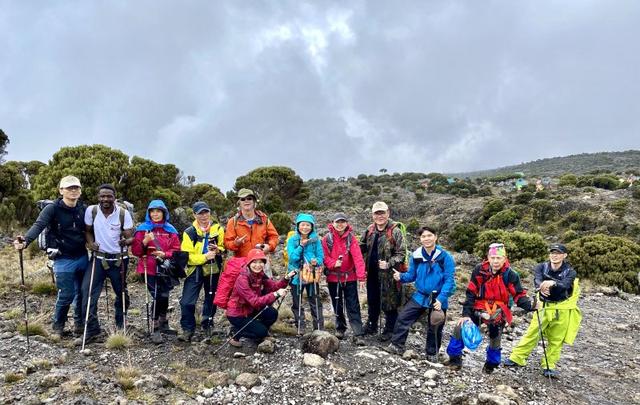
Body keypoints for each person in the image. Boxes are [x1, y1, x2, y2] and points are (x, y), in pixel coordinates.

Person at [445, 243, 538, 373]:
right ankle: (455, 358)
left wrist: (530, 306)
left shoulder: (510, 275)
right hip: (478, 306)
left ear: (504, 258)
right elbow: (471, 292)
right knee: (460, 328)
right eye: (492, 257)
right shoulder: (479, 270)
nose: (495, 261)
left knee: (495, 335)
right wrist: (466, 314)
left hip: (498, 310)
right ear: (488, 257)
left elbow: (518, 294)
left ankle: (491, 364)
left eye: (498, 258)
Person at [13, 175, 87, 338]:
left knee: (81, 293)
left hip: (82, 257)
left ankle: (79, 326)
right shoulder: (52, 209)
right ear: (61, 191)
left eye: (76, 187)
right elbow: (38, 225)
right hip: (62, 258)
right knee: (66, 294)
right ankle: (57, 327)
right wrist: (25, 241)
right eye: (69, 188)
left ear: (80, 190)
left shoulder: (83, 208)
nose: (73, 190)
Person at [504, 243, 582, 378]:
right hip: (543, 306)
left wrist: (552, 283)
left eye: (558, 253)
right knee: (532, 332)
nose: (555, 255)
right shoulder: (542, 266)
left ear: (564, 255)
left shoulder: (570, 271)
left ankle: (549, 365)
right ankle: (517, 358)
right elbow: (537, 279)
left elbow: (565, 285)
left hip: (561, 308)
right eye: (552, 252)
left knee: (556, 339)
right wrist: (542, 285)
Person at [385, 226, 456, 362]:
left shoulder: (445, 257)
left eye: (429, 235)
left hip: (438, 297)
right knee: (404, 317)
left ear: (435, 237)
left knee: (435, 325)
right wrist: (401, 276)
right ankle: (397, 345)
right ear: (420, 239)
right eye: (423, 236)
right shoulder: (416, 256)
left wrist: (441, 299)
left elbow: (449, 280)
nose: (427, 238)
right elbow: (412, 275)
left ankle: (432, 353)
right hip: (421, 295)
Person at [81, 184, 134, 342]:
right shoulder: (92, 211)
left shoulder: (123, 214)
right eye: (102, 196)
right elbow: (87, 231)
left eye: (109, 196)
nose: (105, 199)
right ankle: (91, 329)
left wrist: (127, 241)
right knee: (88, 292)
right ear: (98, 197)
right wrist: (90, 244)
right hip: (98, 259)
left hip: (119, 260)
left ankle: (120, 326)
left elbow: (130, 236)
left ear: (114, 198)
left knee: (121, 293)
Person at [131, 200, 181, 344]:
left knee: (165, 295)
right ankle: (155, 327)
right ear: (148, 213)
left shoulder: (170, 230)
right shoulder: (143, 229)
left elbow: (176, 249)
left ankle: (163, 322)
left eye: (158, 211)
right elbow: (136, 251)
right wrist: (145, 241)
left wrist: (165, 254)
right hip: (149, 268)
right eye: (152, 211)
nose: (155, 214)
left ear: (164, 212)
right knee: (158, 295)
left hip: (166, 268)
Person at [178, 201, 225, 342]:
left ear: (210, 212)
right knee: (187, 302)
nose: (204, 216)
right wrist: (204, 257)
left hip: (213, 268)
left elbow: (223, 247)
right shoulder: (189, 233)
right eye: (200, 213)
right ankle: (187, 329)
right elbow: (188, 257)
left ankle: (208, 324)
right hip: (195, 270)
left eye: (206, 212)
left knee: (211, 297)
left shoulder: (218, 228)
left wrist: (218, 250)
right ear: (194, 214)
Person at [226, 248, 293, 347]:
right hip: (237, 313)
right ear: (249, 263)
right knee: (261, 332)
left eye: (261, 262)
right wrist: (275, 294)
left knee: (272, 313)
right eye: (254, 262)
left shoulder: (260, 274)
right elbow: (254, 301)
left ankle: (257, 330)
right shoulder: (242, 279)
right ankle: (235, 332)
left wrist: (286, 278)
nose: (258, 265)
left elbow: (273, 286)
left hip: (250, 309)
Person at [360, 201, 407, 341]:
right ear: (372, 215)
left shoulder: (395, 231)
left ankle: (390, 329)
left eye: (382, 213)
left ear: (388, 213)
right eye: (377, 213)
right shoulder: (370, 230)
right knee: (372, 299)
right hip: (372, 272)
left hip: (390, 275)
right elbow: (362, 246)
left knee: (390, 302)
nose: (380, 216)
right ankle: (372, 325)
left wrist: (388, 263)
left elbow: (401, 253)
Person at [322, 212, 366, 344]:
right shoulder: (327, 239)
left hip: (350, 277)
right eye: (337, 222)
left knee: (353, 304)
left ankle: (358, 333)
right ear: (333, 223)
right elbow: (324, 257)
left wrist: (361, 277)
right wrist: (333, 263)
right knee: (337, 304)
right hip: (333, 278)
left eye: (342, 222)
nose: (340, 224)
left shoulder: (351, 239)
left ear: (346, 224)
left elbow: (358, 258)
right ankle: (340, 328)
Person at [287, 213, 324, 334]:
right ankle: (300, 326)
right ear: (298, 226)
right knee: (297, 302)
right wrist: (301, 246)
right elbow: (292, 258)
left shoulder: (315, 240)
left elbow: (320, 257)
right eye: (302, 224)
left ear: (312, 226)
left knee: (315, 301)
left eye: (308, 225)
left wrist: (316, 261)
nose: (305, 227)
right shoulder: (292, 240)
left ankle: (318, 328)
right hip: (296, 275)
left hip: (311, 274)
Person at [224, 188, 279, 258]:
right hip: (242, 264)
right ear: (239, 203)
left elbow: (274, 237)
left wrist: (269, 246)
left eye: (249, 198)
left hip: (260, 263)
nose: (246, 201)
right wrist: (236, 243)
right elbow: (227, 243)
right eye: (243, 199)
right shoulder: (233, 222)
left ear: (254, 201)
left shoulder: (264, 219)